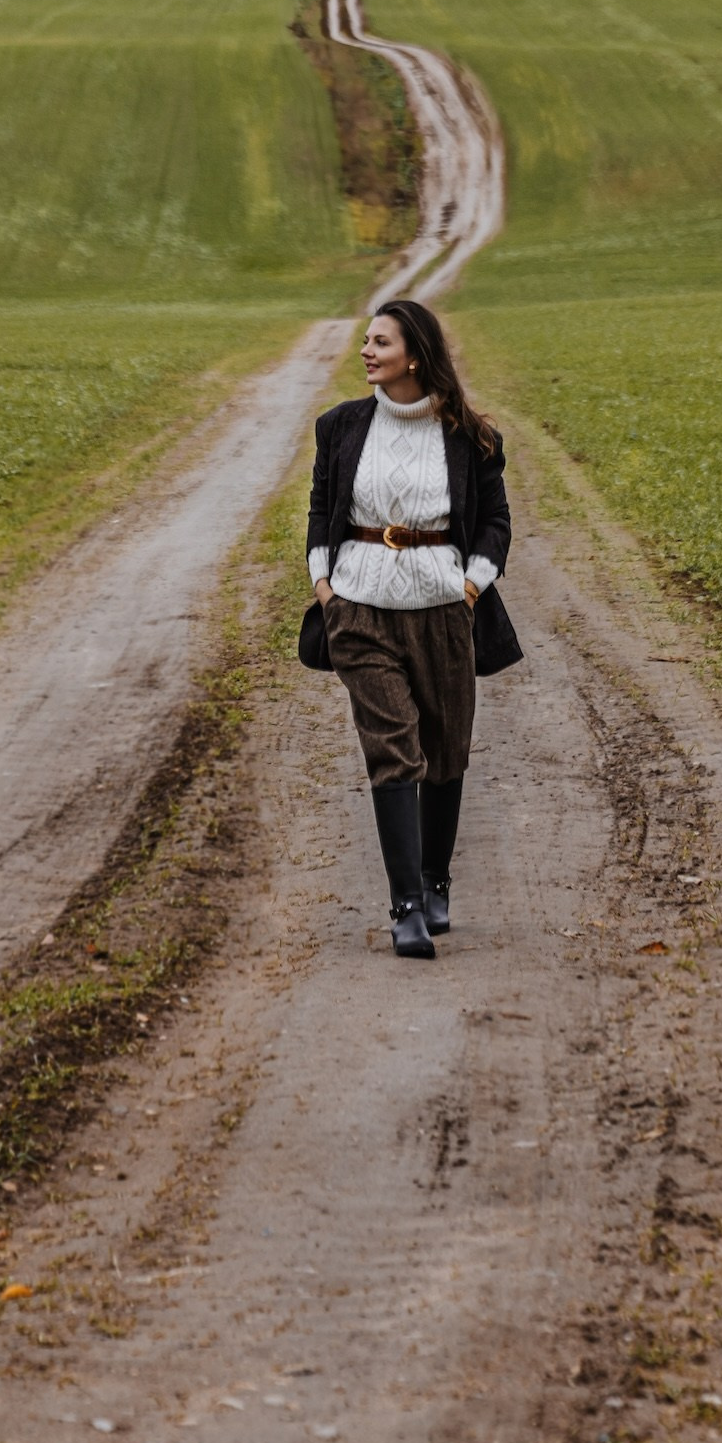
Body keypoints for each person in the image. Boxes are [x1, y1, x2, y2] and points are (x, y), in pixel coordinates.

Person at [306, 298, 510, 959]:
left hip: (445, 610)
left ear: (415, 355)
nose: (366, 351)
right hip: (359, 608)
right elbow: (320, 508)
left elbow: (494, 524)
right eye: (366, 341)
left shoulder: (471, 436)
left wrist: (473, 583)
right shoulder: (339, 427)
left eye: (381, 343)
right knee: (394, 745)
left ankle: (434, 880)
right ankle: (405, 908)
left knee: (444, 750)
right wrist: (324, 586)